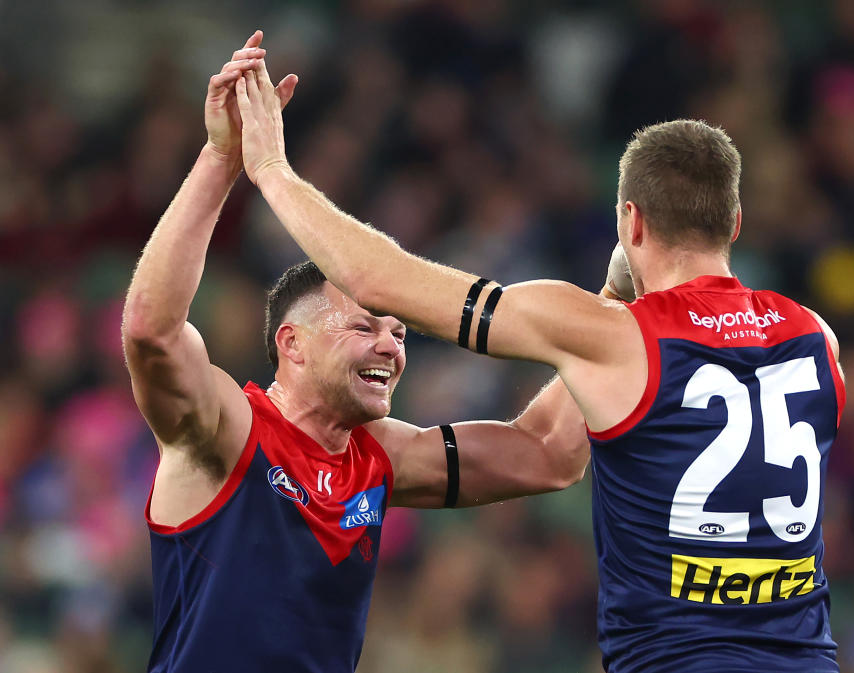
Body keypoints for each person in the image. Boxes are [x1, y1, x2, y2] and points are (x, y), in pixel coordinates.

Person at [235, 48, 847, 673]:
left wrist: (269, 166)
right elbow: (556, 451)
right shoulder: (818, 338)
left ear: (630, 222)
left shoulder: (615, 336)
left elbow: (378, 280)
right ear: (736, 223)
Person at [122, 32, 589, 673]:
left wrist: (609, 316)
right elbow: (151, 330)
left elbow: (546, 457)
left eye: (399, 333)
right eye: (365, 326)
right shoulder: (226, 432)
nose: (390, 347)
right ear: (293, 344)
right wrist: (220, 158)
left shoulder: (382, 458)